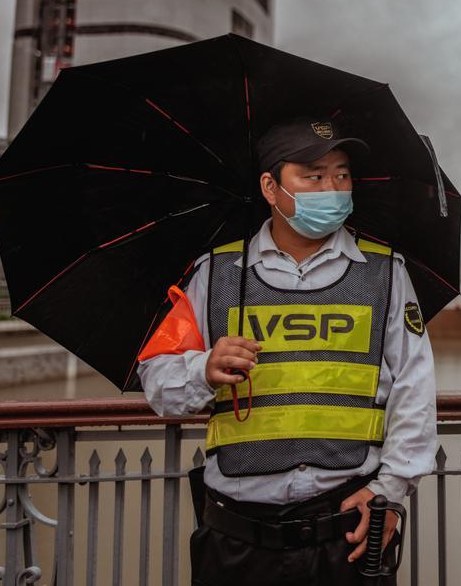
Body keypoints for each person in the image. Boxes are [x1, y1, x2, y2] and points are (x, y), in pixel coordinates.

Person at [138, 118, 437, 586]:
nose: (332, 188)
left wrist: (390, 493)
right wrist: (203, 369)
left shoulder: (386, 273)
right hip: (236, 539)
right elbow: (157, 381)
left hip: (348, 531)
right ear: (270, 187)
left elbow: (415, 390)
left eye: (341, 175)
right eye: (313, 176)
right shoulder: (213, 274)